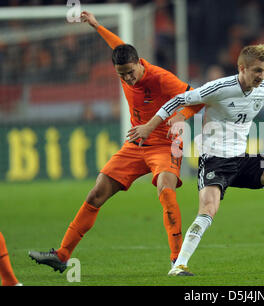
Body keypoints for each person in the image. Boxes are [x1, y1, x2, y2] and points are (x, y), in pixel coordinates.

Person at [127, 44, 264, 276]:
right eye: (256, 71)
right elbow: (176, 101)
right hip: (215, 162)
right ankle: (179, 265)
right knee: (208, 210)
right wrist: (149, 127)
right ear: (241, 68)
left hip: (242, 160)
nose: (261, 76)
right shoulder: (220, 88)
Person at [28, 11, 203, 272]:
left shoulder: (161, 78)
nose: (128, 79)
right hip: (135, 145)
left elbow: (197, 99)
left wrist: (180, 116)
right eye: (122, 75)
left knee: (165, 189)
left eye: (131, 73)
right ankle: (63, 255)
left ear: (139, 63)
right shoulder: (125, 64)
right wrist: (97, 25)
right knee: (97, 192)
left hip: (165, 144)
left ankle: (177, 260)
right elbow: (116, 45)